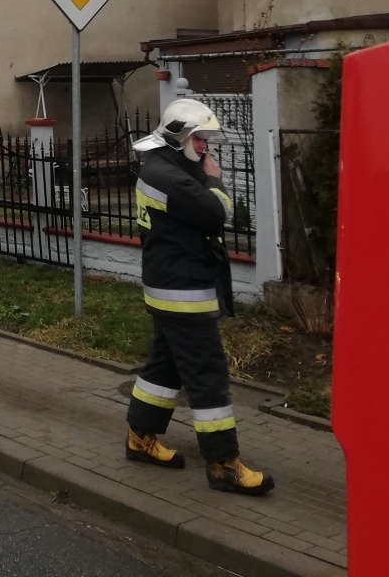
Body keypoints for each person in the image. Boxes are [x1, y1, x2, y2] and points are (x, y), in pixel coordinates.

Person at [123, 98, 275, 496]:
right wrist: (214, 178)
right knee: (208, 378)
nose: (205, 146)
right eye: (200, 138)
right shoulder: (169, 177)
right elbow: (214, 212)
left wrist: (200, 171)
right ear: (179, 137)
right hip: (183, 293)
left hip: (171, 289)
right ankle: (223, 464)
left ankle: (140, 437)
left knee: (164, 368)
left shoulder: (160, 168)